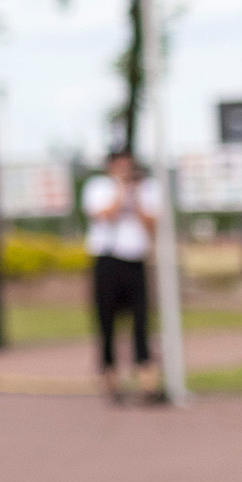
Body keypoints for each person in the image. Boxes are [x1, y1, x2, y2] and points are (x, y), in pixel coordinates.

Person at [83, 149, 160, 404]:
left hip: (135, 259)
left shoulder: (146, 189)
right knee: (106, 321)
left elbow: (152, 223)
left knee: (141, 321)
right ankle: (110, 379)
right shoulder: (97, 187)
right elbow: (105, 215)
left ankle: (146, 378)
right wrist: (120, 190)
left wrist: (134, 194)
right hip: (107, 260)